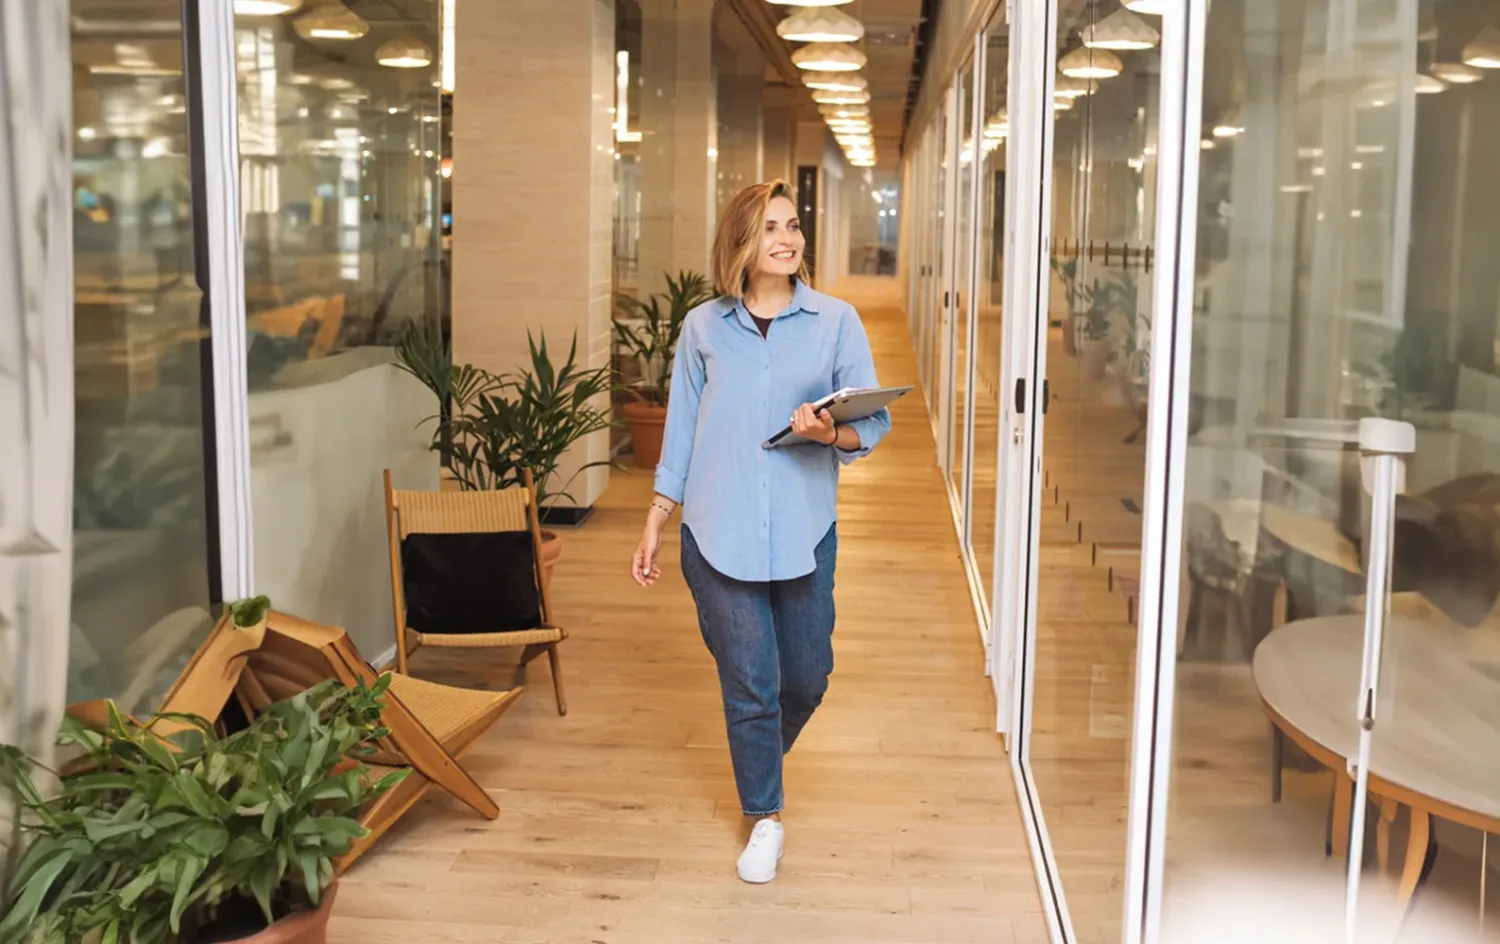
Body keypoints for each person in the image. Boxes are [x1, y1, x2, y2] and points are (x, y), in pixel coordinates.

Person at [630, 179, 892, 883]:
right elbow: (681, 430)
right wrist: (658, 517)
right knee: (752, 685)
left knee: (805, 680)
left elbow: (873, 423)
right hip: (717, 533)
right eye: (770, 227)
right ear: (741, 243)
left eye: (793, 224)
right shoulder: (703, 328)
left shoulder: (836, 321)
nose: (787, 238)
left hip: (806, 531)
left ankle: (757, 765)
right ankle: (765, 817)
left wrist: (829, 429)